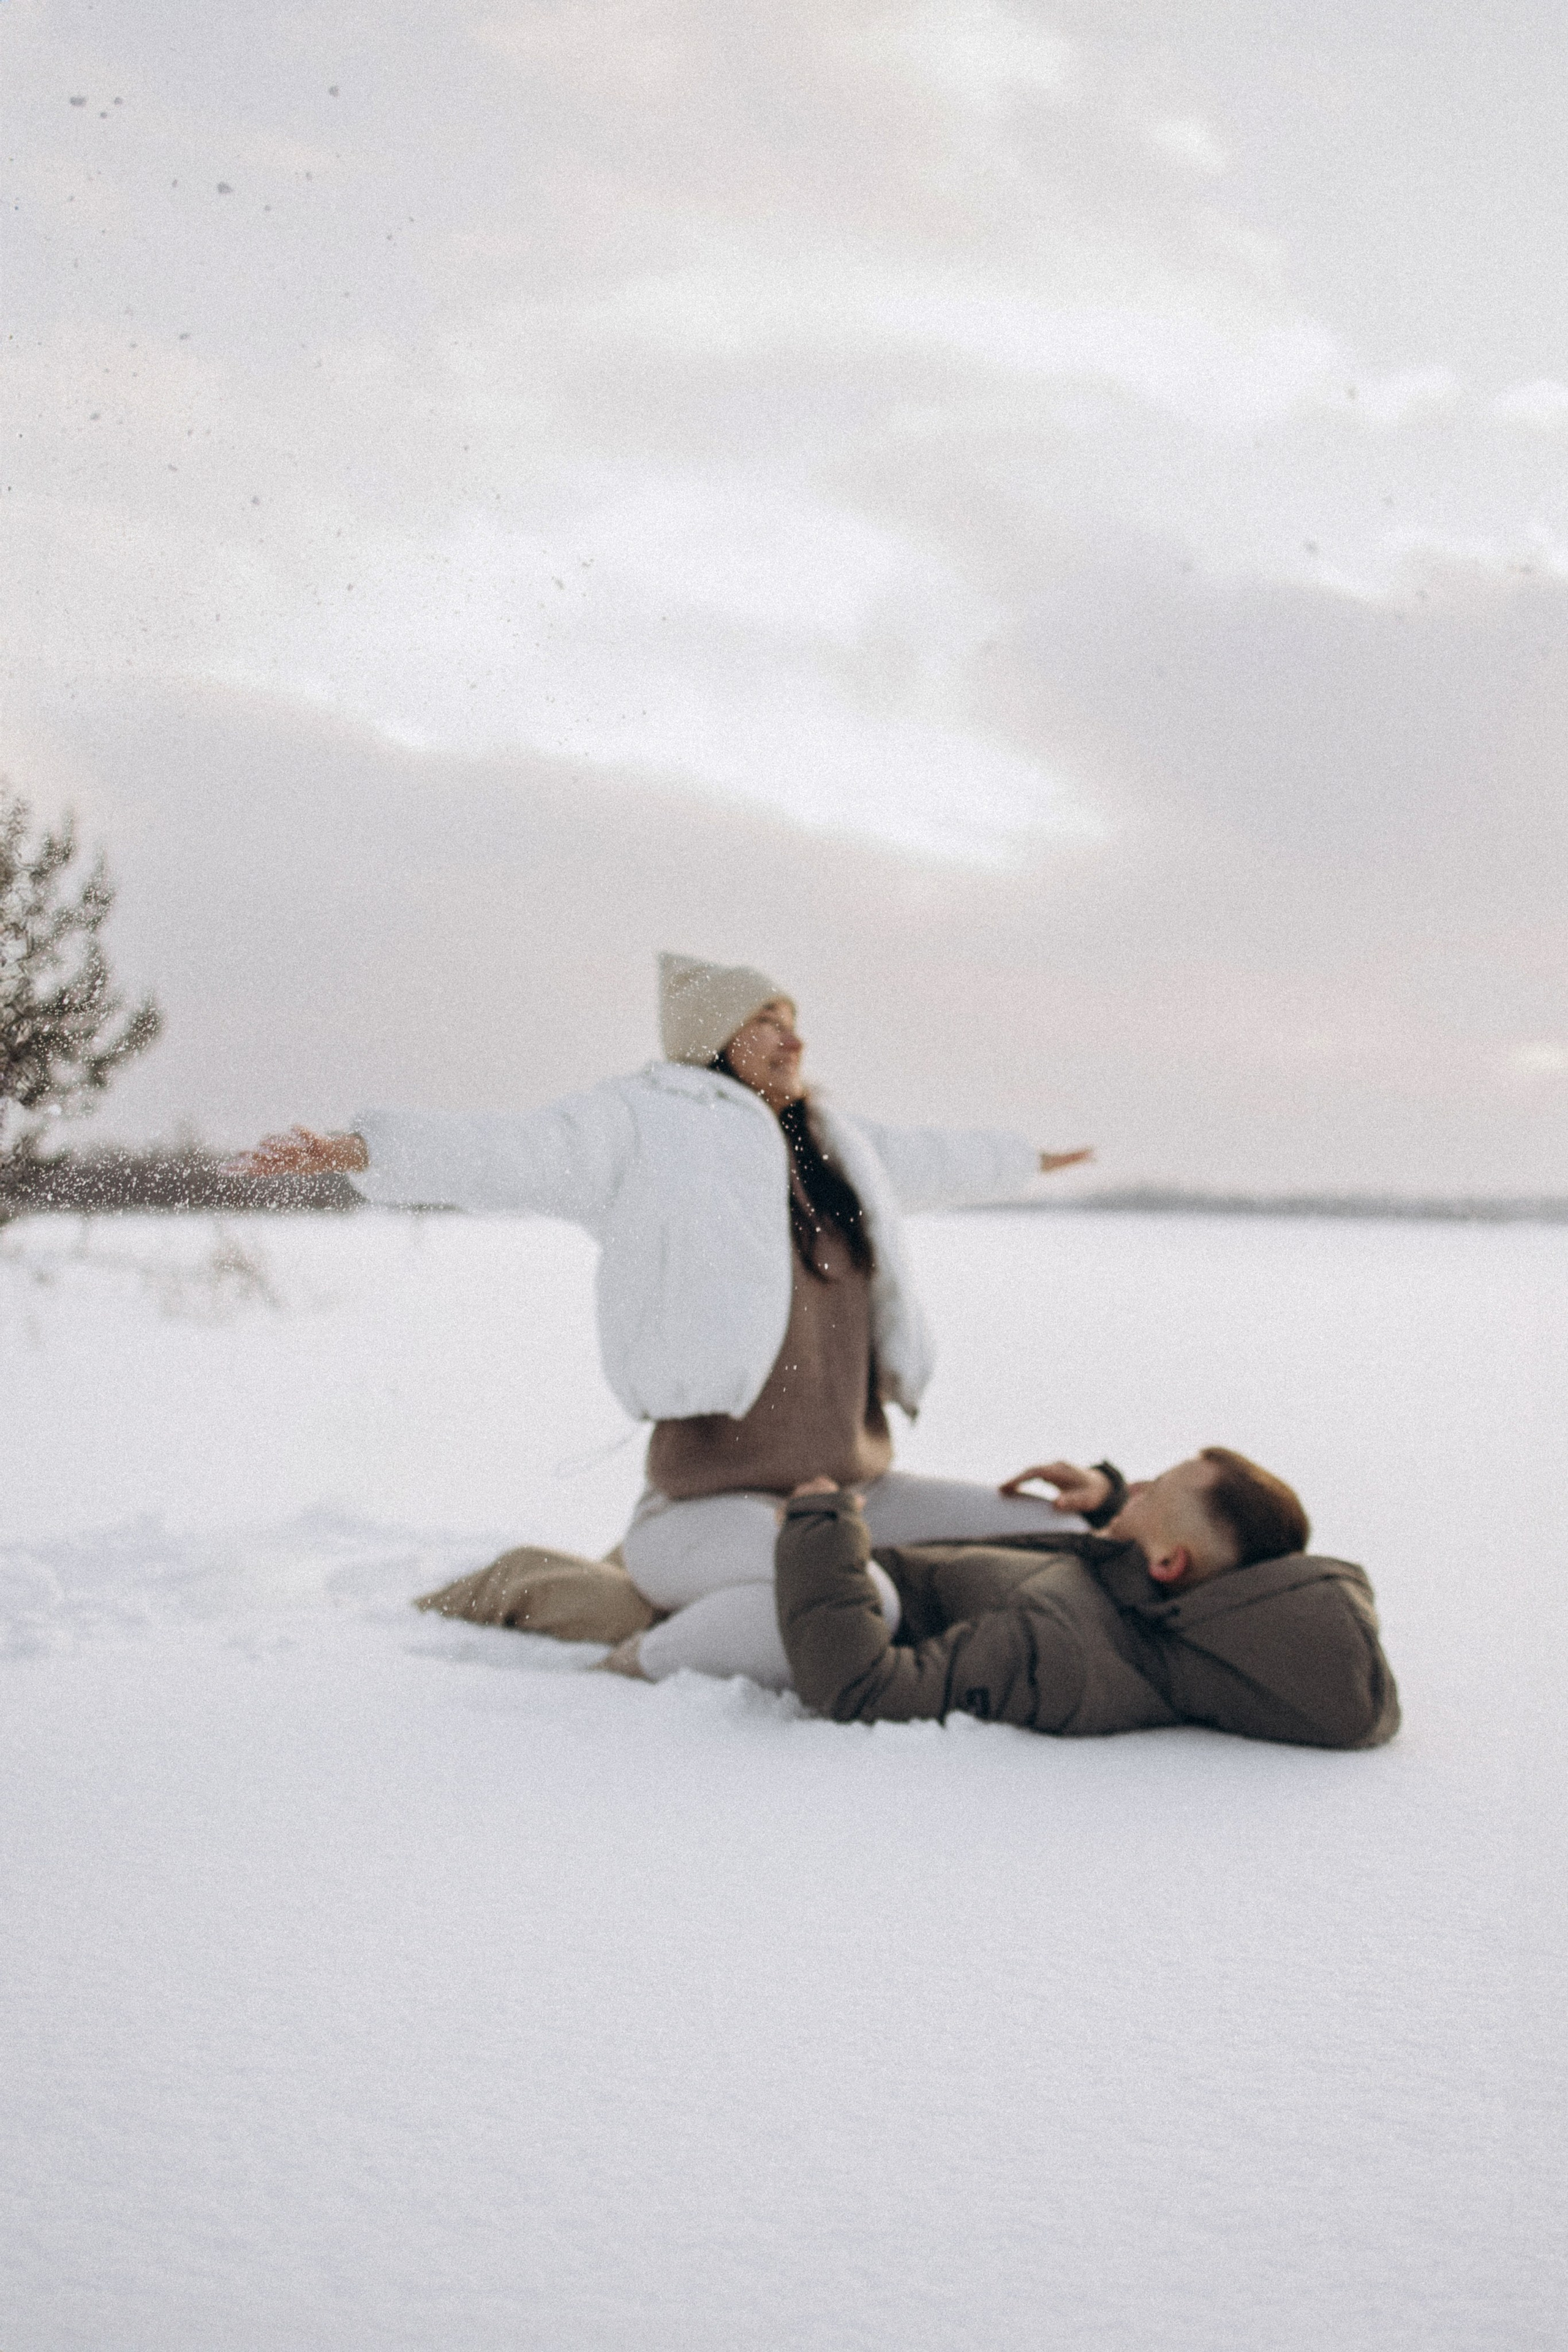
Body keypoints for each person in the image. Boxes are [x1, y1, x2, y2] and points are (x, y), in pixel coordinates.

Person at [231, 953, 1095, 1662]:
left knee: (1059, 1528)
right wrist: (365, 1150)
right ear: (713, 1037)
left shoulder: (840, 1147)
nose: (793, 1039)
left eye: (793, 1020)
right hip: (708, 1510)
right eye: (766, 1021)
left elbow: (936, 1159)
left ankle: (698, 1611)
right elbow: (521, 1150)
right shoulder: (648, 1126)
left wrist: (1028, 1160)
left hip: (862, 1492)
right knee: (855, 1608)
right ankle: (633, 1657)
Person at [769, 1450, 1401, 1748]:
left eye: (1155, 1491)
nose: (1138, 1485)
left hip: (816, 1620)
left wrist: (818, 1528)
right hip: (862, 1575)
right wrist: (1115, 1508)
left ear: (1168, 1563)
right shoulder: (1169, 1606)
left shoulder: (1056, 1650)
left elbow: (859, 1689)